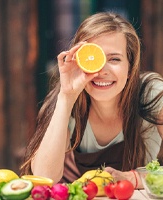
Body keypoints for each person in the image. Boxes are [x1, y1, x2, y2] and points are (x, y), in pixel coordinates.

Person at [20, 12, 163, 189]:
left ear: (130, 68)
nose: (102, 70)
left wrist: (132, 178)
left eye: (114, 59)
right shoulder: (67, 101)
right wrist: (66, 97)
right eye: (94, 58)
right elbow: (44, 177)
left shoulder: (152, 95)